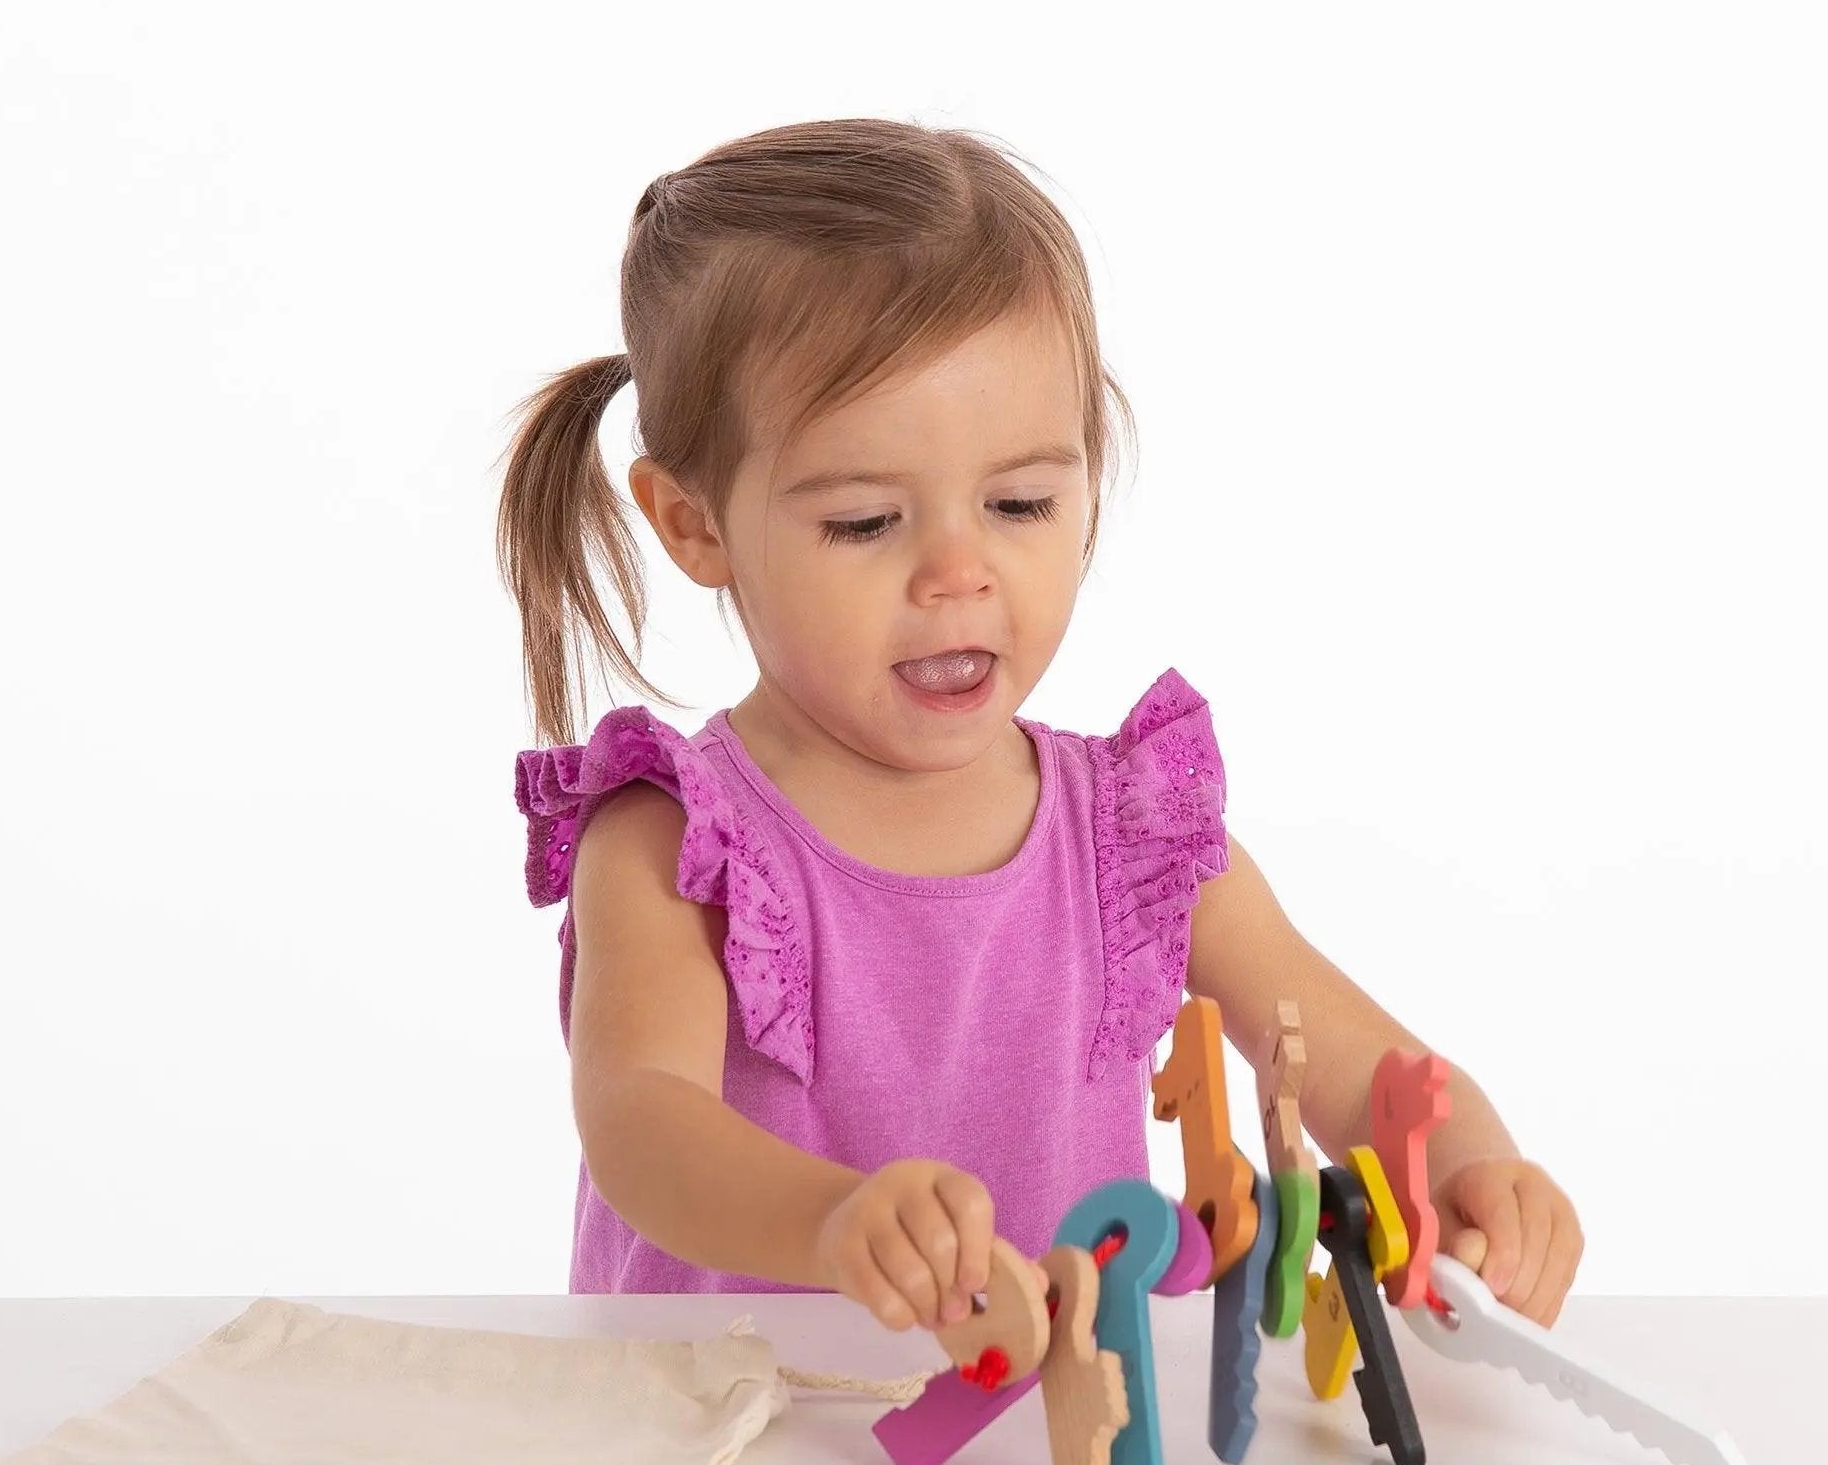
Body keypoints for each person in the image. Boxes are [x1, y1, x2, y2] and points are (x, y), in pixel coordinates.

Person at [495, 117, 1584, 1335]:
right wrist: (830, 1222)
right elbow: (641, 1122)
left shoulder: (1134, 838)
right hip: (727, 1425)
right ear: (695, 524)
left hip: (1046, 1436)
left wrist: (1476, 1171)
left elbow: (1348, 1062)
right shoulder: (674, 839)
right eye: (865, 522)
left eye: (1019, 503)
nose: (958, 573)